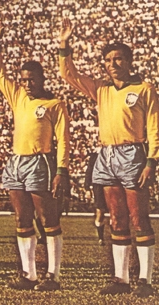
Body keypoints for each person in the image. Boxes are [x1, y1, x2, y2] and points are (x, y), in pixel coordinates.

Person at [59, 19, 158, 297]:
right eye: (108, 60)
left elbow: (154, 127)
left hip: (133, 153)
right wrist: (64, 44)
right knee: (116, 219)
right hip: (106, 154)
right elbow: (69, 75)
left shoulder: (144, 89)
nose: (113, 64)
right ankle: (121, 278)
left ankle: (145, 280)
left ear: (129, 61)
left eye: (118, 59)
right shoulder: (101, 88)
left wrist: (152, 161)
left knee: (139, 218)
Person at [0, 26, 69, 291]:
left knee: (48, 219)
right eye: (24, 79)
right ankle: (29, 274)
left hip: (40, 162)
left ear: (42, 79)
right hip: (16, 162)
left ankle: (53, 276)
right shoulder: (19, 96)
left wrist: (62, 170)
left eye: (32, 79)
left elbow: (64, 139)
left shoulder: (54, 104)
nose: (27, 83)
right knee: (22, 219)